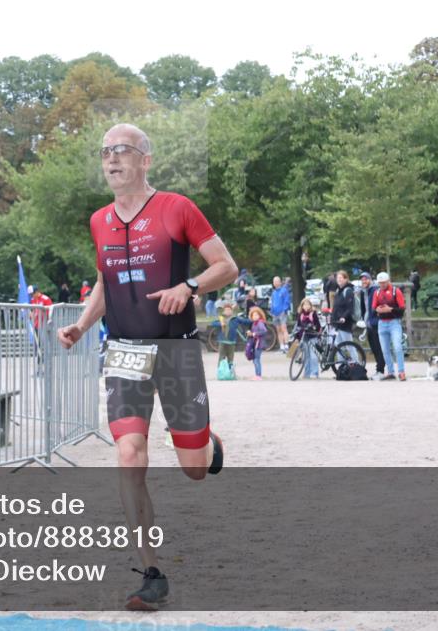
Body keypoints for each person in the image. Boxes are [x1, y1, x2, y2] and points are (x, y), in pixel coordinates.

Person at [56, 123, 237, 611]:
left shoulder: (177, 208)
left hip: (175, 349)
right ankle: (150, 571)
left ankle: (205, 442)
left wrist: (192, 288)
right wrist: (81, 324)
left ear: (145, 160)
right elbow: (104, 281)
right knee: (129, 454)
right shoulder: (98, 221)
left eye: (122, 151)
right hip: (126, 351)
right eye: (105, 152)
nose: (112, 159)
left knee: (194, 470)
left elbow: (227, 265)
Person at [372, 272, 406, 381]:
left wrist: (390, 309)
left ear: (388, 281)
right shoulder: (377, 292)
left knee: (397, 347)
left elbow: (402, 309)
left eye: (384, 283)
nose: (382, 285)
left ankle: (401, 372)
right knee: (385, 350)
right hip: (382, 323)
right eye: (380, 283)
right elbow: (374, 307)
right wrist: (378, 309)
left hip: (394, 322)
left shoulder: (396, 291)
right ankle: (390, 372)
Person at [358, 272, 385, 379]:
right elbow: (363, 308)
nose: (364, 281)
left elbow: (377, 306)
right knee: (374, 348)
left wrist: (377, 317)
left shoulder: (374, 290)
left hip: (376, 323)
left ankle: (380, 370)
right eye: (362, 280)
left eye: (366, 279)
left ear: (370, 280)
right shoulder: (363, 292)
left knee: (378, 348)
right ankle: (379, 370)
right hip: (368, 323)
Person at [293, 298, 322, 378]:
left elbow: (318, 326)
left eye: (307, 304)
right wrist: (297, 338)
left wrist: (314, 329)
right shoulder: (300, 315)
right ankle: (307, 373)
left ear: (310, 305)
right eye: (304, 305)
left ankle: (314, 373)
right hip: (304, 337)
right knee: (306, 356)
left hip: (312, 337)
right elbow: (298, 327)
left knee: (313, 356)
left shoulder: (313, 314)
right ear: (302, 306)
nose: (306, 306)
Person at [331, 270, 355, 345]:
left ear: (346, 279)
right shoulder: (338, 291)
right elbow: (336, 307)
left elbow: (350, 308)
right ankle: (340, 357)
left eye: (341, 277)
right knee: (337, 346)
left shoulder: (348, 291)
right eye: (338, 278)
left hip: (345, 324)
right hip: (336, 323)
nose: (339, 279)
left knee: (349, 345)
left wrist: (344, 317)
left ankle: (354, 357)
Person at [269, 276, 291, 352]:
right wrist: (271, 311)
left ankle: (287, 345)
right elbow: (272, 302)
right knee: (278, 330)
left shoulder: (284, 290)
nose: (275, 283)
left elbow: (287, 301)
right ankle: (281, 346)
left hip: (282, 312)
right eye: (274, 281)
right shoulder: (274, 292)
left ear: (280, 282)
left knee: (284, 328)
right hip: (275, 313)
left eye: (277, 281)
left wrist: (285, 310)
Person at [248, 306, 269, 380]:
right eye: (253, 315)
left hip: (259, 343)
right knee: (255, 359)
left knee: (256, 359)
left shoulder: (260, 323)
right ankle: (257, 374)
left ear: (260, 315)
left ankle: (258, 375)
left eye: (256, 315)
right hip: (256, 343)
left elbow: (264, 331)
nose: (255, 317)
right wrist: (251, 333)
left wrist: (254, 334)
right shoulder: (254, 323)